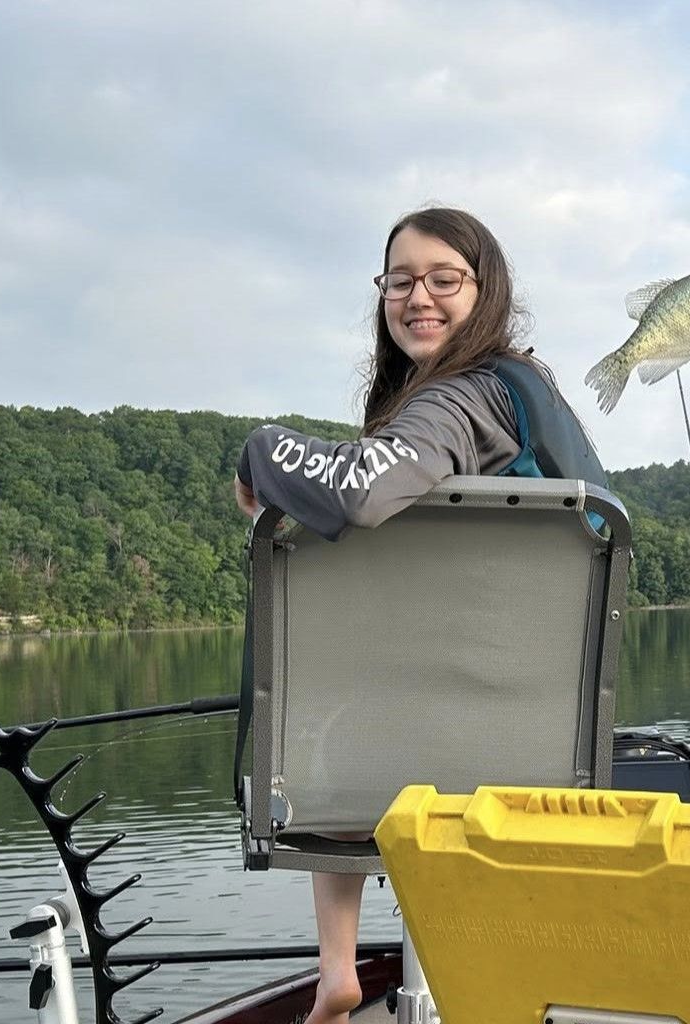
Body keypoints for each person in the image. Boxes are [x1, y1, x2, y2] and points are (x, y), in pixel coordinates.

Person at [232, 206, 604, 1024]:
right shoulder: (522, 397)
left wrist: (260, 448)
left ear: (486, 289)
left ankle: (337, 969)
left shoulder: (458, 402)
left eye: (443, 279)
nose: (417, 297)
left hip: (443, 730)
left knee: (323, 727)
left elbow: (360, 491)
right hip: (544, 734)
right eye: (399, 281)